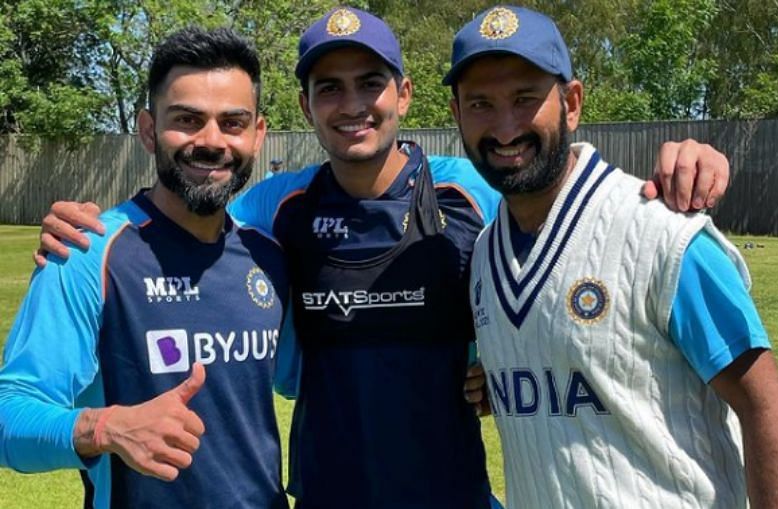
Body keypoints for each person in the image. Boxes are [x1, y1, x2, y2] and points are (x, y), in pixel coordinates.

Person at [34, 7, 732, 509]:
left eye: (369, 81)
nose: (351, 104)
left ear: (404, 93)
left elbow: (571, 217)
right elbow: (187, 206)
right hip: (324, 492)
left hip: (455, 491)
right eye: (328, 88)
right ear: (306, 107)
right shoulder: (270, 210)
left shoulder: (471, 191)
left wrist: (681, 163)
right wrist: (93, 223)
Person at [447, 6, 778, 508]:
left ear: (571, 103)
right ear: (457, 114)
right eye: (481, 103)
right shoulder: (485, 255)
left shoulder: (661, 232)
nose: (505, 127)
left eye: (525, 98)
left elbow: (770, 411)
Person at [0, 27, 290, 509]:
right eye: (188, 119)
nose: (211, 141)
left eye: (232, 122)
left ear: (257, 134)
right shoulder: (86, 253)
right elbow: (8, 418)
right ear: (149, 129)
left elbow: (300, 379)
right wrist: (105, 427)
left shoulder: (269, 255)